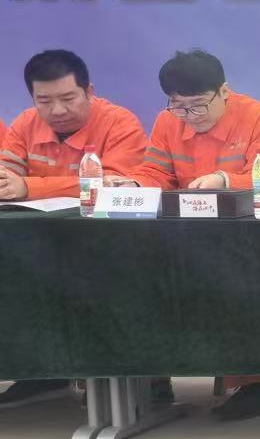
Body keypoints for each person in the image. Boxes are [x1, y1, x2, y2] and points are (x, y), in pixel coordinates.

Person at [132, 50, 260, 420]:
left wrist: (224, 180)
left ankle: (256, 385)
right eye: (180, 106)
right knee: (142, 273)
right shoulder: (167, 122)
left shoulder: (259, 117)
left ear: (224, 91)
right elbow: (156, 172)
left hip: (249, 236)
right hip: (184, 236)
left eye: (199, 105)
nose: (191, 115)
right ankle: (152, 377)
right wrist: (134, 183)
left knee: (239, 278)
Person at [0, 50, 150, 409]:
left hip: (108, 245)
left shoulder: (119, 124)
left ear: (89, 91)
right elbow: (8, 177)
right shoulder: (24, 125)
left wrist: (30, 186)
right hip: (40, 245)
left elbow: (111, 185)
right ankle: (42, 373)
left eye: (68, 98)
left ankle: (140, 384)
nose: (57, 110)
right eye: (44, 101)